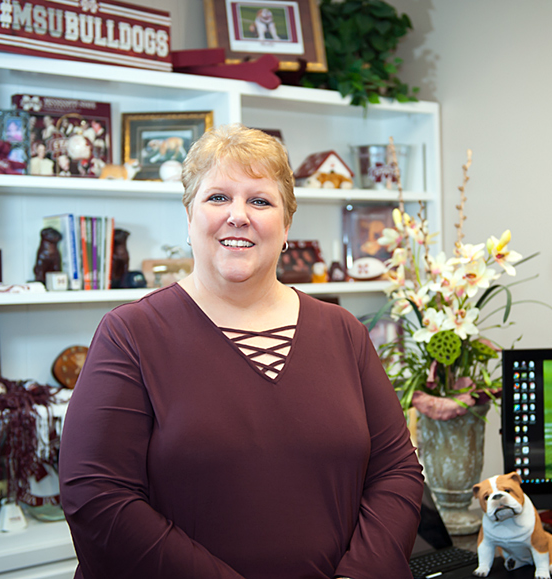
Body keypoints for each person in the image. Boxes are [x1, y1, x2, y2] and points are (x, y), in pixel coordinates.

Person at [59, 124, 424, 579]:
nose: (238, 216)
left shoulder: (343, 332)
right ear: (189, 216)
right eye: (217, 198)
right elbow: (96, 496)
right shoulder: (130, 334)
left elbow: (397, 473)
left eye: (260, 200)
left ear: (286, 224)